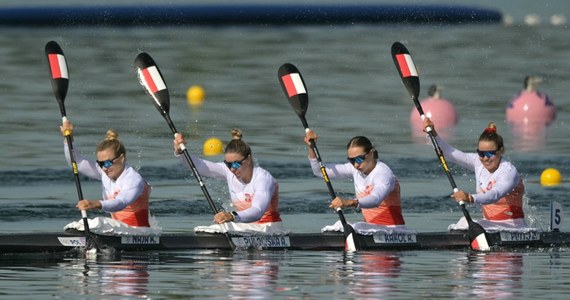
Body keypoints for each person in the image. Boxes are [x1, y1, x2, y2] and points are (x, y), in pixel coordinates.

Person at [173, 128, 285, 233]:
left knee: (220, 228)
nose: (232, 168)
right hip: (244, 227)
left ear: (249, 159)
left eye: (236, 163)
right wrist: (180, 152)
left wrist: (231, 216)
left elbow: (257, 210)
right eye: (228, 164)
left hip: (269, 229)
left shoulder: (263, 179)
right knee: (217, 228)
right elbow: (198, 166)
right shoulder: (229, 171)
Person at [423, 118, 527, 229]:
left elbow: (495, 195)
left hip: (513, 227)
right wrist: (433, 134)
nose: (485, 158)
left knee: (465, 224)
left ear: (501, 151)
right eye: (481, 153)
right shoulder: (478, 162)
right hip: (490, 225)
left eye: (490, 153)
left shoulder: (508, 171)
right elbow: (449, 152)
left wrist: (471, 198)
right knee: (464, 222)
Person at [60, 120, 153, 229]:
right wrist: (68, 139)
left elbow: (121, 202)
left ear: (122, 158)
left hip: (140, 233)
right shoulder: (104, 171)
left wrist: (95, 204)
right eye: (100, 163)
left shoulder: (133, 180)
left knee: (98, 222)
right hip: (118, 231)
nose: (104, 168)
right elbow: (77, 162)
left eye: (108, 162)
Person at [303, 130, 406, 228]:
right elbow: (320, 171)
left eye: (359, 159)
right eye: (351, 160)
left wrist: (349, 202)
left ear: (371, 153)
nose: (356, 164)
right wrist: (312, 148)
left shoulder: (383, 174)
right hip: (371, 229)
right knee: (339, 226)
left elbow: (375, 199)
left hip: (394, 230)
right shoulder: (354, 169)